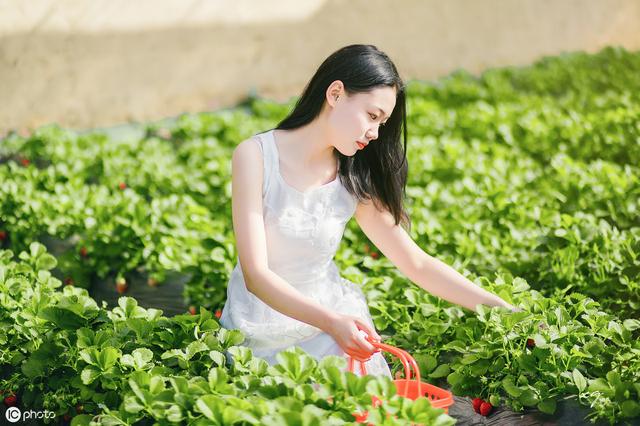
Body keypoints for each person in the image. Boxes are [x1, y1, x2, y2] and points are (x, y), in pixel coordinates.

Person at [219, 44, 518, 378]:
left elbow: (416, 263)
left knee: (355, 383)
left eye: (383, 122)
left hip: (333, 313)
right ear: (335, 94)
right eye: (372, 116)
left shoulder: (352, 175)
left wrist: (502, 309)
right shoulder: (256, 156)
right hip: (265, 318)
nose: (375, 133)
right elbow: (256, 276)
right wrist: (331, 323)